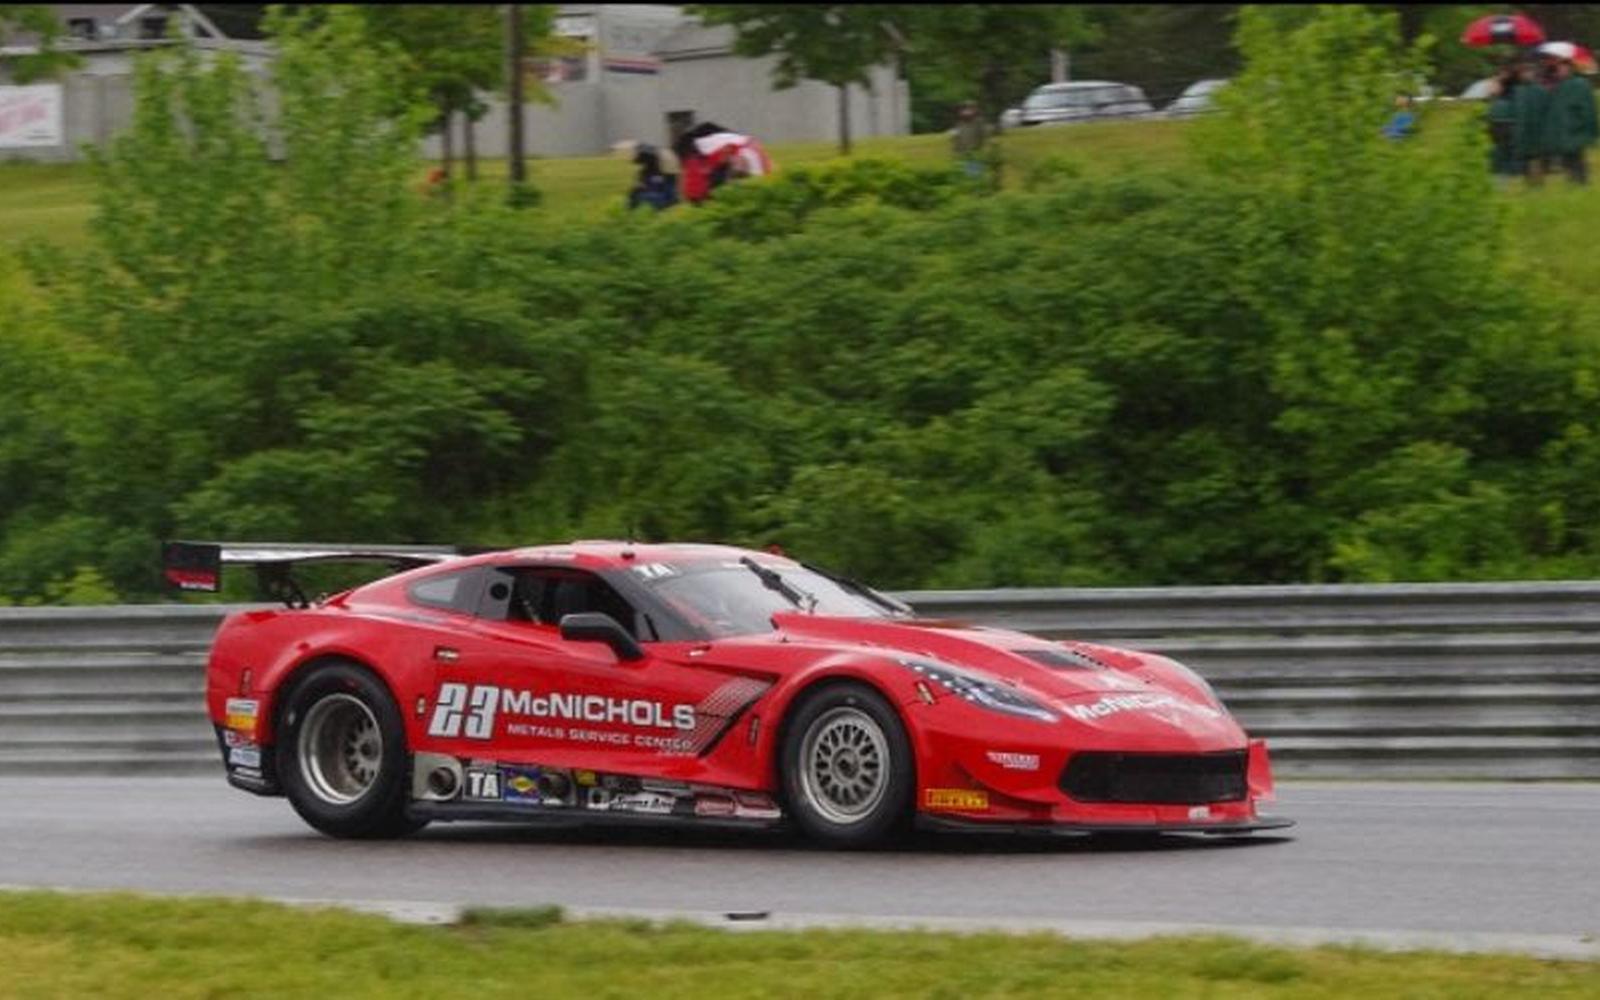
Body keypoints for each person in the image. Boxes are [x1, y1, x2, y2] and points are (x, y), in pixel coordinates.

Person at [1541, 54, 1599, 184]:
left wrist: (1580, 126)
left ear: (1570, 68)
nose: (1559, 70)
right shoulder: (1557, 86)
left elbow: (1588, 109)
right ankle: (1574, 183)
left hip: (1575, 129)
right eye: (1558, 67)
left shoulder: (1580, 84)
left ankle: (1581, 182)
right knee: (1569, 159)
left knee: (1576, 157)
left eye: (1562, 67)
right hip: (1563, 131)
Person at [1512, 57, 1551, 183]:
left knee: (1538, 160)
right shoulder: (1518, 91)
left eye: (1528, 71)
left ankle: (1539, 184)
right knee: (1525, 161)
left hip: (1538, 132)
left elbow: (1547, 111)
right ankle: (1528, 183)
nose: (1526, 74)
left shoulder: (1541, 91)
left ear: (1533, 73)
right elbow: (1515, 113)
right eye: (1523, 72)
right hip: (1523, 133)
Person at [1486, 65, 1520, 183]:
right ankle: (1498, 172)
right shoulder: (1494, 85)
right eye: (1501, 73)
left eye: (1505, 73)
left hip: (1508, 121)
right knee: (1498, 148)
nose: (1502, 75)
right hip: (1496, 121)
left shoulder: (1512, 87)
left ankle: (1508, 173)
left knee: (1507, 148)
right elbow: (1491, 96)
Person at [625, 142, 679, 211]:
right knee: (634, 194)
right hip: (654, 199)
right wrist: (640, 187)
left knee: (636, 196)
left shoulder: (666, 173)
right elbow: (642, 185)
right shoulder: (645, 172)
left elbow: (670, 195)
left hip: (662, 200)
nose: (643, 164)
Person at [951, 101, 989, 177]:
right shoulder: (959, 123)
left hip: (974, 153)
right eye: (964, 109)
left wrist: (976, 149)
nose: (966, 111)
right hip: (961, 154)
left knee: (974, 175)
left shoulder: (979, 122)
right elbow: (956, 139)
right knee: (963, 175)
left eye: (970, 108)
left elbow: (982, 137)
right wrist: (955, 151)